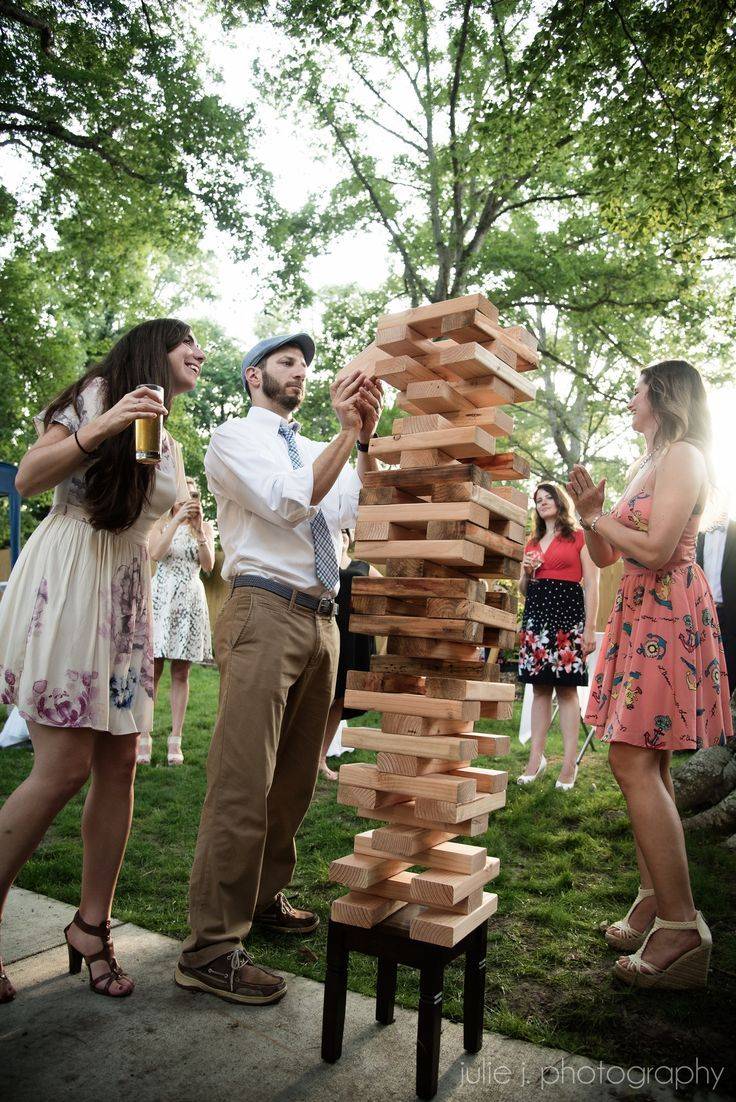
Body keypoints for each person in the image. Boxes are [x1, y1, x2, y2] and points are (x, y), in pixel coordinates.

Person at [174, 333, 383, 1007]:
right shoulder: (233, 439)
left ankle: (261, 899)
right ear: (253, 375)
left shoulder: (320, 447)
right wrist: (346, 434)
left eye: (305, 365)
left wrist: (365, 440)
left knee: (294, 782)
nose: (300, 372)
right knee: (243, 780)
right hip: (263, 610)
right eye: (287, 362)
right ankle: (209, 948)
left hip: (323, 617)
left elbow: (362, 514)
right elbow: (290, 501)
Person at [0, 319, 204, 1004]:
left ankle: (91, 926)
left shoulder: (168, 439)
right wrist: (105, 422)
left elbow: (140, 535)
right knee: (61, 768)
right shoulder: (94, 396)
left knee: (119, 766)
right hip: (69, 582)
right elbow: (29, 478)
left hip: (123, 594)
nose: (200, 352)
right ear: (152, 349)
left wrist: (176, 527)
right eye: (187, 341)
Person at [567, 359, 733, 990]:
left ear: (663, 396)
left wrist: (599, 519)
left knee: (630, 760)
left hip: (668, 612)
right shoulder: (648, 462)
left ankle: (681, 925)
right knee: (651, 763)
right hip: (640, 610)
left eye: (636, 391)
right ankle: (654, 898)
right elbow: (608, 553)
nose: (630, 401)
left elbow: (660, 549)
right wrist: (589, 515)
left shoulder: (685, 456)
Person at [517, 483, 599, 790]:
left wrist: (589, 628)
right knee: (539, 689)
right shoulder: (532, 542)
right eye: (538, 499)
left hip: (568, 619)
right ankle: (535, 760)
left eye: (548, 497)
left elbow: (592, 584)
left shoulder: (579, 536)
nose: (542, 502)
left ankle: (568, 765)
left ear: (560, 501)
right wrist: (526, 572)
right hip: (536, 620)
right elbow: (524, 590)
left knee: (566, 690)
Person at [136, 477, 215, 766]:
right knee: (153, 670)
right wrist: (177, 520)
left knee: (181, 672)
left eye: (193, 495)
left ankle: (176, 739)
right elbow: (155, 554)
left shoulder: (205, 527)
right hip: (162, 598)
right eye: (184, 495)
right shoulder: (158, 523)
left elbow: (208, 566)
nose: (189, 500)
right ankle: (144, 736)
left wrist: (199, 530)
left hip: (190, 601)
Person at [318, 529, 380, 780]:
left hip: (355, 640)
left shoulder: (363, 567)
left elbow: (390, 591)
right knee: (320, 696)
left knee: (340, 699)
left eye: (346, 530)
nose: (342, 534)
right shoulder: (321, 562)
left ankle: (320, 760)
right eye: (338, 530)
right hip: (327, 633)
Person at [696, 500, 735, 699]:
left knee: (729, 672)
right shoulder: (698, 533)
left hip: (730, 616)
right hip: (702, 613)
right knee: (703, 671)